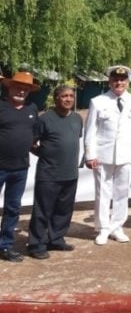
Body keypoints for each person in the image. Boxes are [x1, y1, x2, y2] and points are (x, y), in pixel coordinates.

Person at [84, 65, 131, 246]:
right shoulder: (98, 101)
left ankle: (117, 227)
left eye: (122, 80)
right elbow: (90, 131)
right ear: (109, 81)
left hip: (125, 154)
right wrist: (90, 155)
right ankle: (103, 228)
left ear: (127, 81)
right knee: (102, 192)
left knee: (122, 191)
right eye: (115, 79)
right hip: (103, 154)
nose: (119, 83)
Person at [26, 85, 83, 259]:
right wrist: (44, 154)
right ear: (56, 98)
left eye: (71, 96)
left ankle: (56, 239)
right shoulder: (45, 119)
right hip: (48, 174)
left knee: (63, 210)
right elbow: (31, 142)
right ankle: (36, 244)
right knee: (43, 211)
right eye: (64, 96)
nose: (68, 99)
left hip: (70, 174)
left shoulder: (77, 118)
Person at [0, 71, 40, 262]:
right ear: (9, 87)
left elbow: (33, 138)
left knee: (13, 208)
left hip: (20, 168)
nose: (21, 91)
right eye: (18, 87)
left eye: (26, 88)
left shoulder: (32, 109)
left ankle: (5, 246)